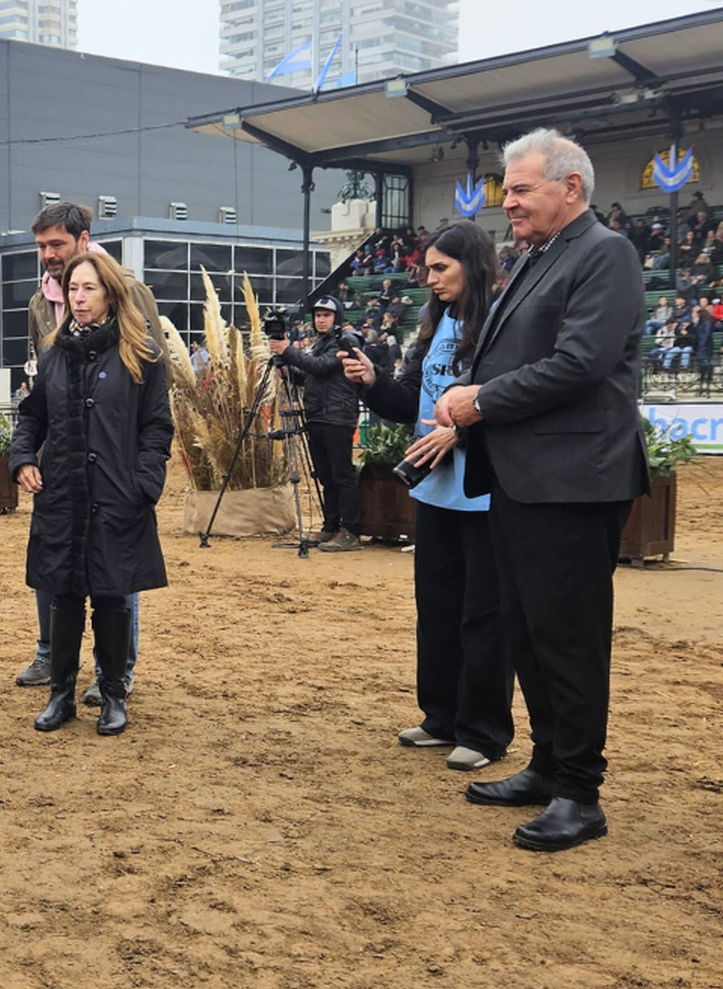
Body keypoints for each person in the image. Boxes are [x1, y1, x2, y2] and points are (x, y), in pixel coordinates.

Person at [435, 128, 648, 852]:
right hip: (525, 478)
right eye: (508, 188)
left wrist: (480, 400)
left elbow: (581, 363)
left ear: (572, 188)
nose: (509, 201)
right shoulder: (536, 256)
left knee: (569, 639)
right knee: (527, 633)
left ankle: (581, 791)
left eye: (522, 188)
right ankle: (550, 764)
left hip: (574, 481)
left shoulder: (605, 253)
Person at [342, 221, 512, 771]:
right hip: (435, 491)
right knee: (436, 610)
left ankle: (484, 733)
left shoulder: (502, 320)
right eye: (427, 269)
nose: (430, 279)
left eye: (441, 268)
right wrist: (372, 382)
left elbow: (513, 399)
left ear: (474, 265)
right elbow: (409, 401)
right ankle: (441, 717)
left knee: (482, 616)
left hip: (486, 494)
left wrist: (462, 430)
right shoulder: (435, 320)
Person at [9, 251, 173, 736]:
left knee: (112, 597)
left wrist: (144, 484)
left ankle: (113, 693)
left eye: (89, 289)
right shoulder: (55, 354)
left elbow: (157, 428)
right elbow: (32, 416)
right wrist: (22, 459)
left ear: (110, 295)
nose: (78, 299)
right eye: (73, 289)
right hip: (62, 495)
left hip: (118, 496)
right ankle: (61, 694)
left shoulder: (141, 354)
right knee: (62, 595)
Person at [268, 296, 364, 552]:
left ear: (337, 317)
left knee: (342, 474)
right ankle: (331, 526)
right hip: (318, 415)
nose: (321, 320)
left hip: (337, 416)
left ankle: (351, 530)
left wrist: (288, 351)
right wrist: (290, 372)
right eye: (318, 315)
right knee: (326, 475)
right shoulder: (320, 344)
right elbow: (311, 376)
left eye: (326, 315)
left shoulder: (346, 341)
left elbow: (322, 367)